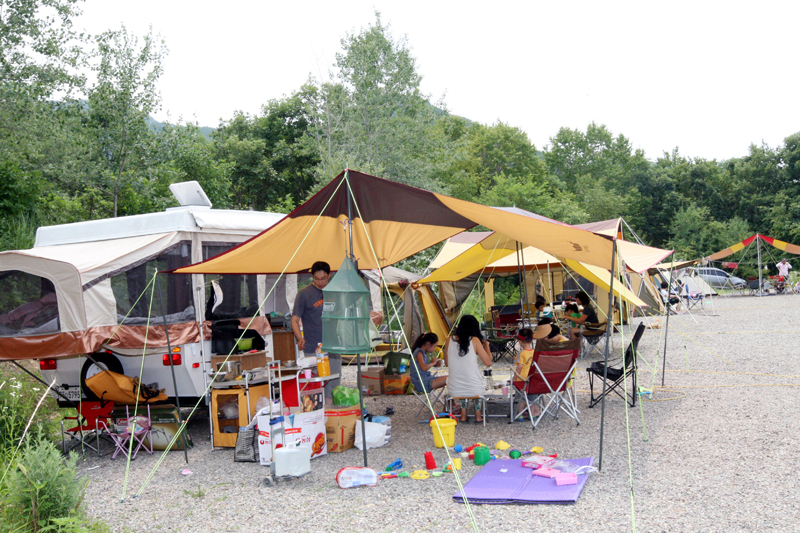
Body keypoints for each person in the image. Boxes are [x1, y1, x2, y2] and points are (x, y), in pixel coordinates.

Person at [291, 261, 341, 396]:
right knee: (316, 385)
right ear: (312, 276)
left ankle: (333, 413)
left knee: (334, 383)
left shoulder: (335, 291)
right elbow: (294, 320)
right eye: (317, 279)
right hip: (313, 347)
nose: (320, 282)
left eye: (323, 279)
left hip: (333, 346)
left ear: (329, 275)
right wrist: (300, 338)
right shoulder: (304, 294)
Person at [444, 315, 492, 423]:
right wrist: (487, 346)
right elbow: (488, 362)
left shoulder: (448, 340)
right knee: (476, 382)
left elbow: (447, 363)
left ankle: (463, 415)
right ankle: (478, 416)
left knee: (460, 380)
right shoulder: (474, 340)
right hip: (475, 389)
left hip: (454, 389)